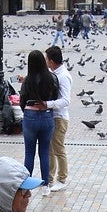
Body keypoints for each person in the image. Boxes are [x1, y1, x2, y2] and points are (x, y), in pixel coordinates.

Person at [19, 49, 59, 196]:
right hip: (47, 116)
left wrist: (28, 111)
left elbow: (22, 100)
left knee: (29, 153)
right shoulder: (52, 78)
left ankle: (26, 187)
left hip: (30, 116)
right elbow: (54, 97)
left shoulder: (27, 80)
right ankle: (45, 186)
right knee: (44, 152)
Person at [44, 46, 71, 192]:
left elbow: (66, 100)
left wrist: (47, 104)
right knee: (49, 149)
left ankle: (62, 179)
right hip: (51, 116)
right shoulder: (53, 73)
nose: (46, 62)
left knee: (59, 149)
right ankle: (49, 178)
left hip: (60, 117)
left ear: (52, 61)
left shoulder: (63, 76)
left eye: (47, 59)